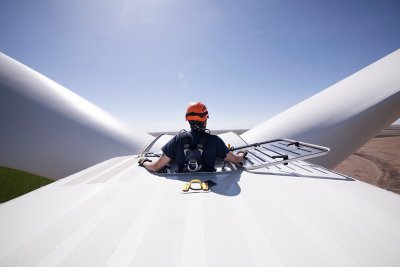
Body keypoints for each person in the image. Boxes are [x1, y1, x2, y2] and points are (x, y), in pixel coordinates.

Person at [139, 102, 246, 173]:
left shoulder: (177, 140)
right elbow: (236, 160)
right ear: (205, 120)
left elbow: (155, 167)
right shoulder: (215, 141)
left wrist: (144, 162)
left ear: (188, 120)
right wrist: (242, 153)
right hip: (210, 184)